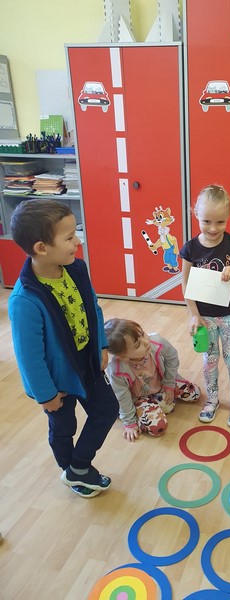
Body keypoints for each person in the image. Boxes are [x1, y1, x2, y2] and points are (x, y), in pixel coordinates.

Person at [8, 199, 119, 499]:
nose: (78, 241)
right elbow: (29, 357)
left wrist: (101, 345)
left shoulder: (76, 269)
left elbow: (93, 308)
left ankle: (77, 468)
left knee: (107, 409)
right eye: (69, 237)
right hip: (57, 380)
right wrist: (45, 395)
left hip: (87, 362)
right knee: (63, 427)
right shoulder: (25, 300)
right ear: (41, 248)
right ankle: (71, 469)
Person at [180, 184, 230, 428]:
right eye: (206, 221)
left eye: (220, 222)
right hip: (205, 317)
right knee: (209, 359)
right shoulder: (191, 248)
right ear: (195, 214)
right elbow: (186, 284)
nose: (213, 228)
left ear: (229, 215)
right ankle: (212, 400)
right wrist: (194, 315)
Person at [104, 318, 201, 442]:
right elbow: (122, 396)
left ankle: (158, 404)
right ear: (124, 357)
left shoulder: (156, 341)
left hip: (161, 383)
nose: (146, 342)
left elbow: (172, 357)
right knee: (158, 427)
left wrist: (169, 384)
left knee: (195, 393)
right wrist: (130, 422)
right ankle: (146, 408)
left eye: (142, 334)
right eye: (137, 345)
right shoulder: (116, 369)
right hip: (139, 397)